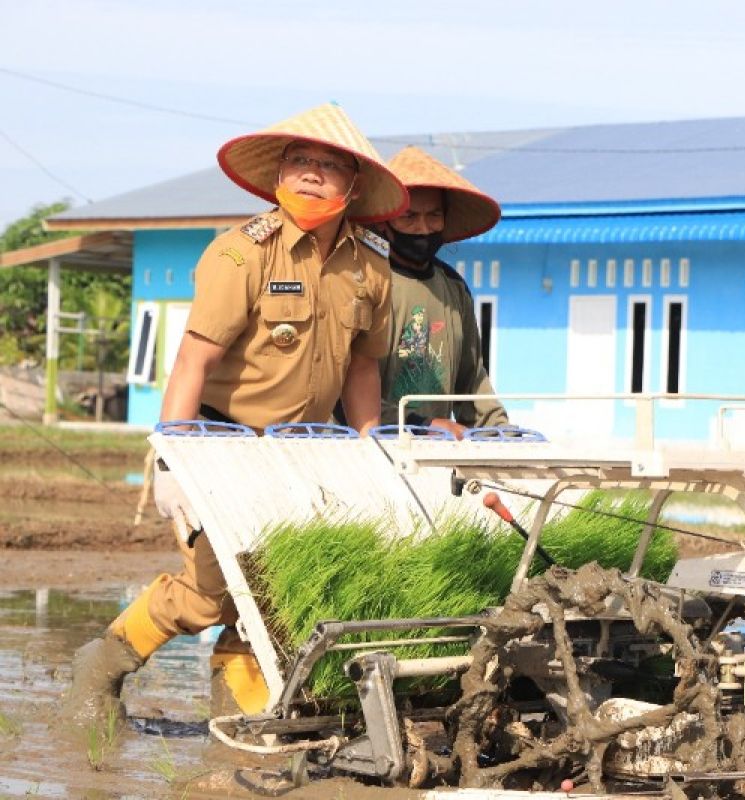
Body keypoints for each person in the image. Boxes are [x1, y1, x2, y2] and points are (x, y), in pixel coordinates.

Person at [62, 103, 408, 728]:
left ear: (352, 187)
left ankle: (236, 717)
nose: (311, 174)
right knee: (211, 590)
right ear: (278, 173)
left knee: (276, 590)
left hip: (304, 448)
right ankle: (102, 665)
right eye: (300, 161)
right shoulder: (241, 255)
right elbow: (193, 359)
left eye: (328, 166)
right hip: (218, 440)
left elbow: (363, 370)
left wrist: (368, 447)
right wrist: (172, 459)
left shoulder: (370, 269)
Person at [376, 146, 508, 437]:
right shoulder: (367, 281)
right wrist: (419, 425)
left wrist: (500, 431)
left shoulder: (453, 287)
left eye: (434, 215)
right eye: (409, 217)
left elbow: (472, 379)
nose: (423, 228)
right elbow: (346, 388)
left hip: (438, 450)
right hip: (369, 446)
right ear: (385, 221)